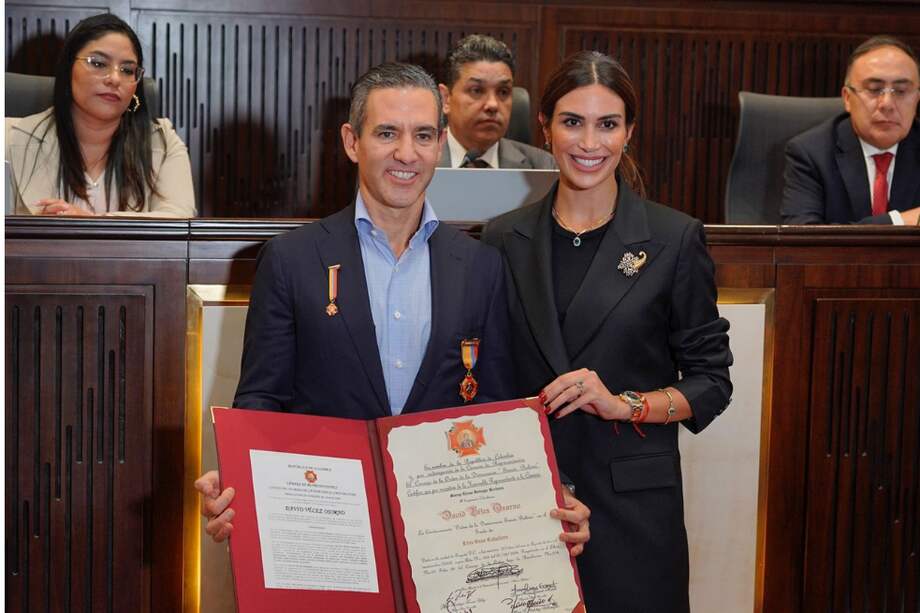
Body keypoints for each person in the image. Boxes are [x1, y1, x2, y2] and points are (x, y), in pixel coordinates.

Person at [196, 62, 590, 555]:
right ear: (351, 141)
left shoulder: (482, 265)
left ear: (440, 143)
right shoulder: (291, 259)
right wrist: (237, 480)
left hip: (447, 533)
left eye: (423, 135)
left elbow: (500, 412)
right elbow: (262, 402)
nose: (407, 153)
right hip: (327, 526)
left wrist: (549, 493)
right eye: (387, 133)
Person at [481, 51, 733, 612]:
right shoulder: (501, 238)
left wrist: (625, 405)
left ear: (629, 132)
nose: (589, 142)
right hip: (530, 505)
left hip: (634, 515)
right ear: (544, 128)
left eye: (608, 124)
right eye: (572, 122)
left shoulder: (674, 238)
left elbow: (712, 381)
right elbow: (489, 380)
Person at [5, 14, 195, 217]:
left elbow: (179, 221)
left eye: (127, 70)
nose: (114, 79)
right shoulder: (9, 139)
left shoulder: (162, 141)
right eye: (98, 63)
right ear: (68, 68)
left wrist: (90, 224)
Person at [782, 35, 920, 225]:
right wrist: (898, 221)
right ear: (847, 98)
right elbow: (802, 240)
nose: (887, 104)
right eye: (874, 89)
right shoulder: (810, 153)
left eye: (901, 91)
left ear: (917, 98)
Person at [437, 34, 555, 169]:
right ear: (446, 99)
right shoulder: (417, 164)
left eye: (503, 92)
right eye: (476, 90)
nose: (493, 104)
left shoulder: (544, 167)